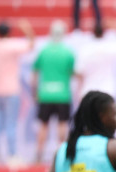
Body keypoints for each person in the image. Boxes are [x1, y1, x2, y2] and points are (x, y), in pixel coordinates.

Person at [0, 20, 34, 165]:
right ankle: (12, 155)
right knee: (10, 124)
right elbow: (31, 45)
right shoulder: (12, 45)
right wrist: (28, 31)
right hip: (11, 90)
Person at [33, 21, 75, 163]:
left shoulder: (44, 51)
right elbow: (72, 72)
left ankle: (39, 154)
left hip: (46, 93)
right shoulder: (67, 52)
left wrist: (35, 92)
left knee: (43, 125)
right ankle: (62, 154)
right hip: (62, 94)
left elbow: (35, 73)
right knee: (62, 124)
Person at [75, 23, 116, 100]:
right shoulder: (109, 47)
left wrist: (79, 91)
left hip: (89, 91)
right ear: (103, 33)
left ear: (93, 33)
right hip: (108, 90)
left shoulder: (85, 50)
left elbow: (79, 73)